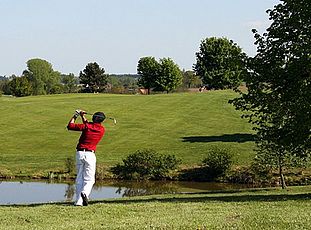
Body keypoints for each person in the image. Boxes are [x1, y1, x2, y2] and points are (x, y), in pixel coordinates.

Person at [67, 109, 106, 206]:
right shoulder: (101, 129)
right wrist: (82, 116)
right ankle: (84, 193)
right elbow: (89, 125)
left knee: (80, 177)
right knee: (90, 179)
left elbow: (70, 126)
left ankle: (78, 202)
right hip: (90, 155)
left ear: (93, 118)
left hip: (80, 153)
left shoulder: (87, 126)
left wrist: (76, 115)